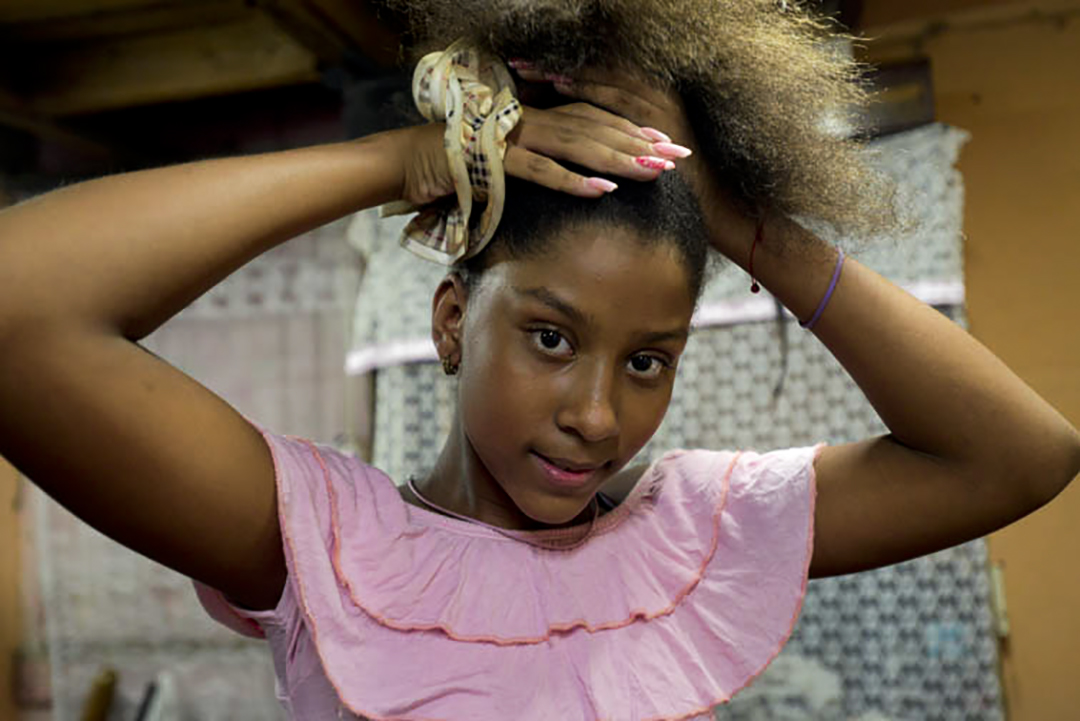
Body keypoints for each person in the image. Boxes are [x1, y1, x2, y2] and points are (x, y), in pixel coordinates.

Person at [0, 2, 1077, 719]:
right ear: (453, 319)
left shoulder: (696, 533)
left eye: (649, 360)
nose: (598, 417)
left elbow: (1022, 456)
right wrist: (407, 159)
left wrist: (743, 228)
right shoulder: (320, 543)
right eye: (550, 338)